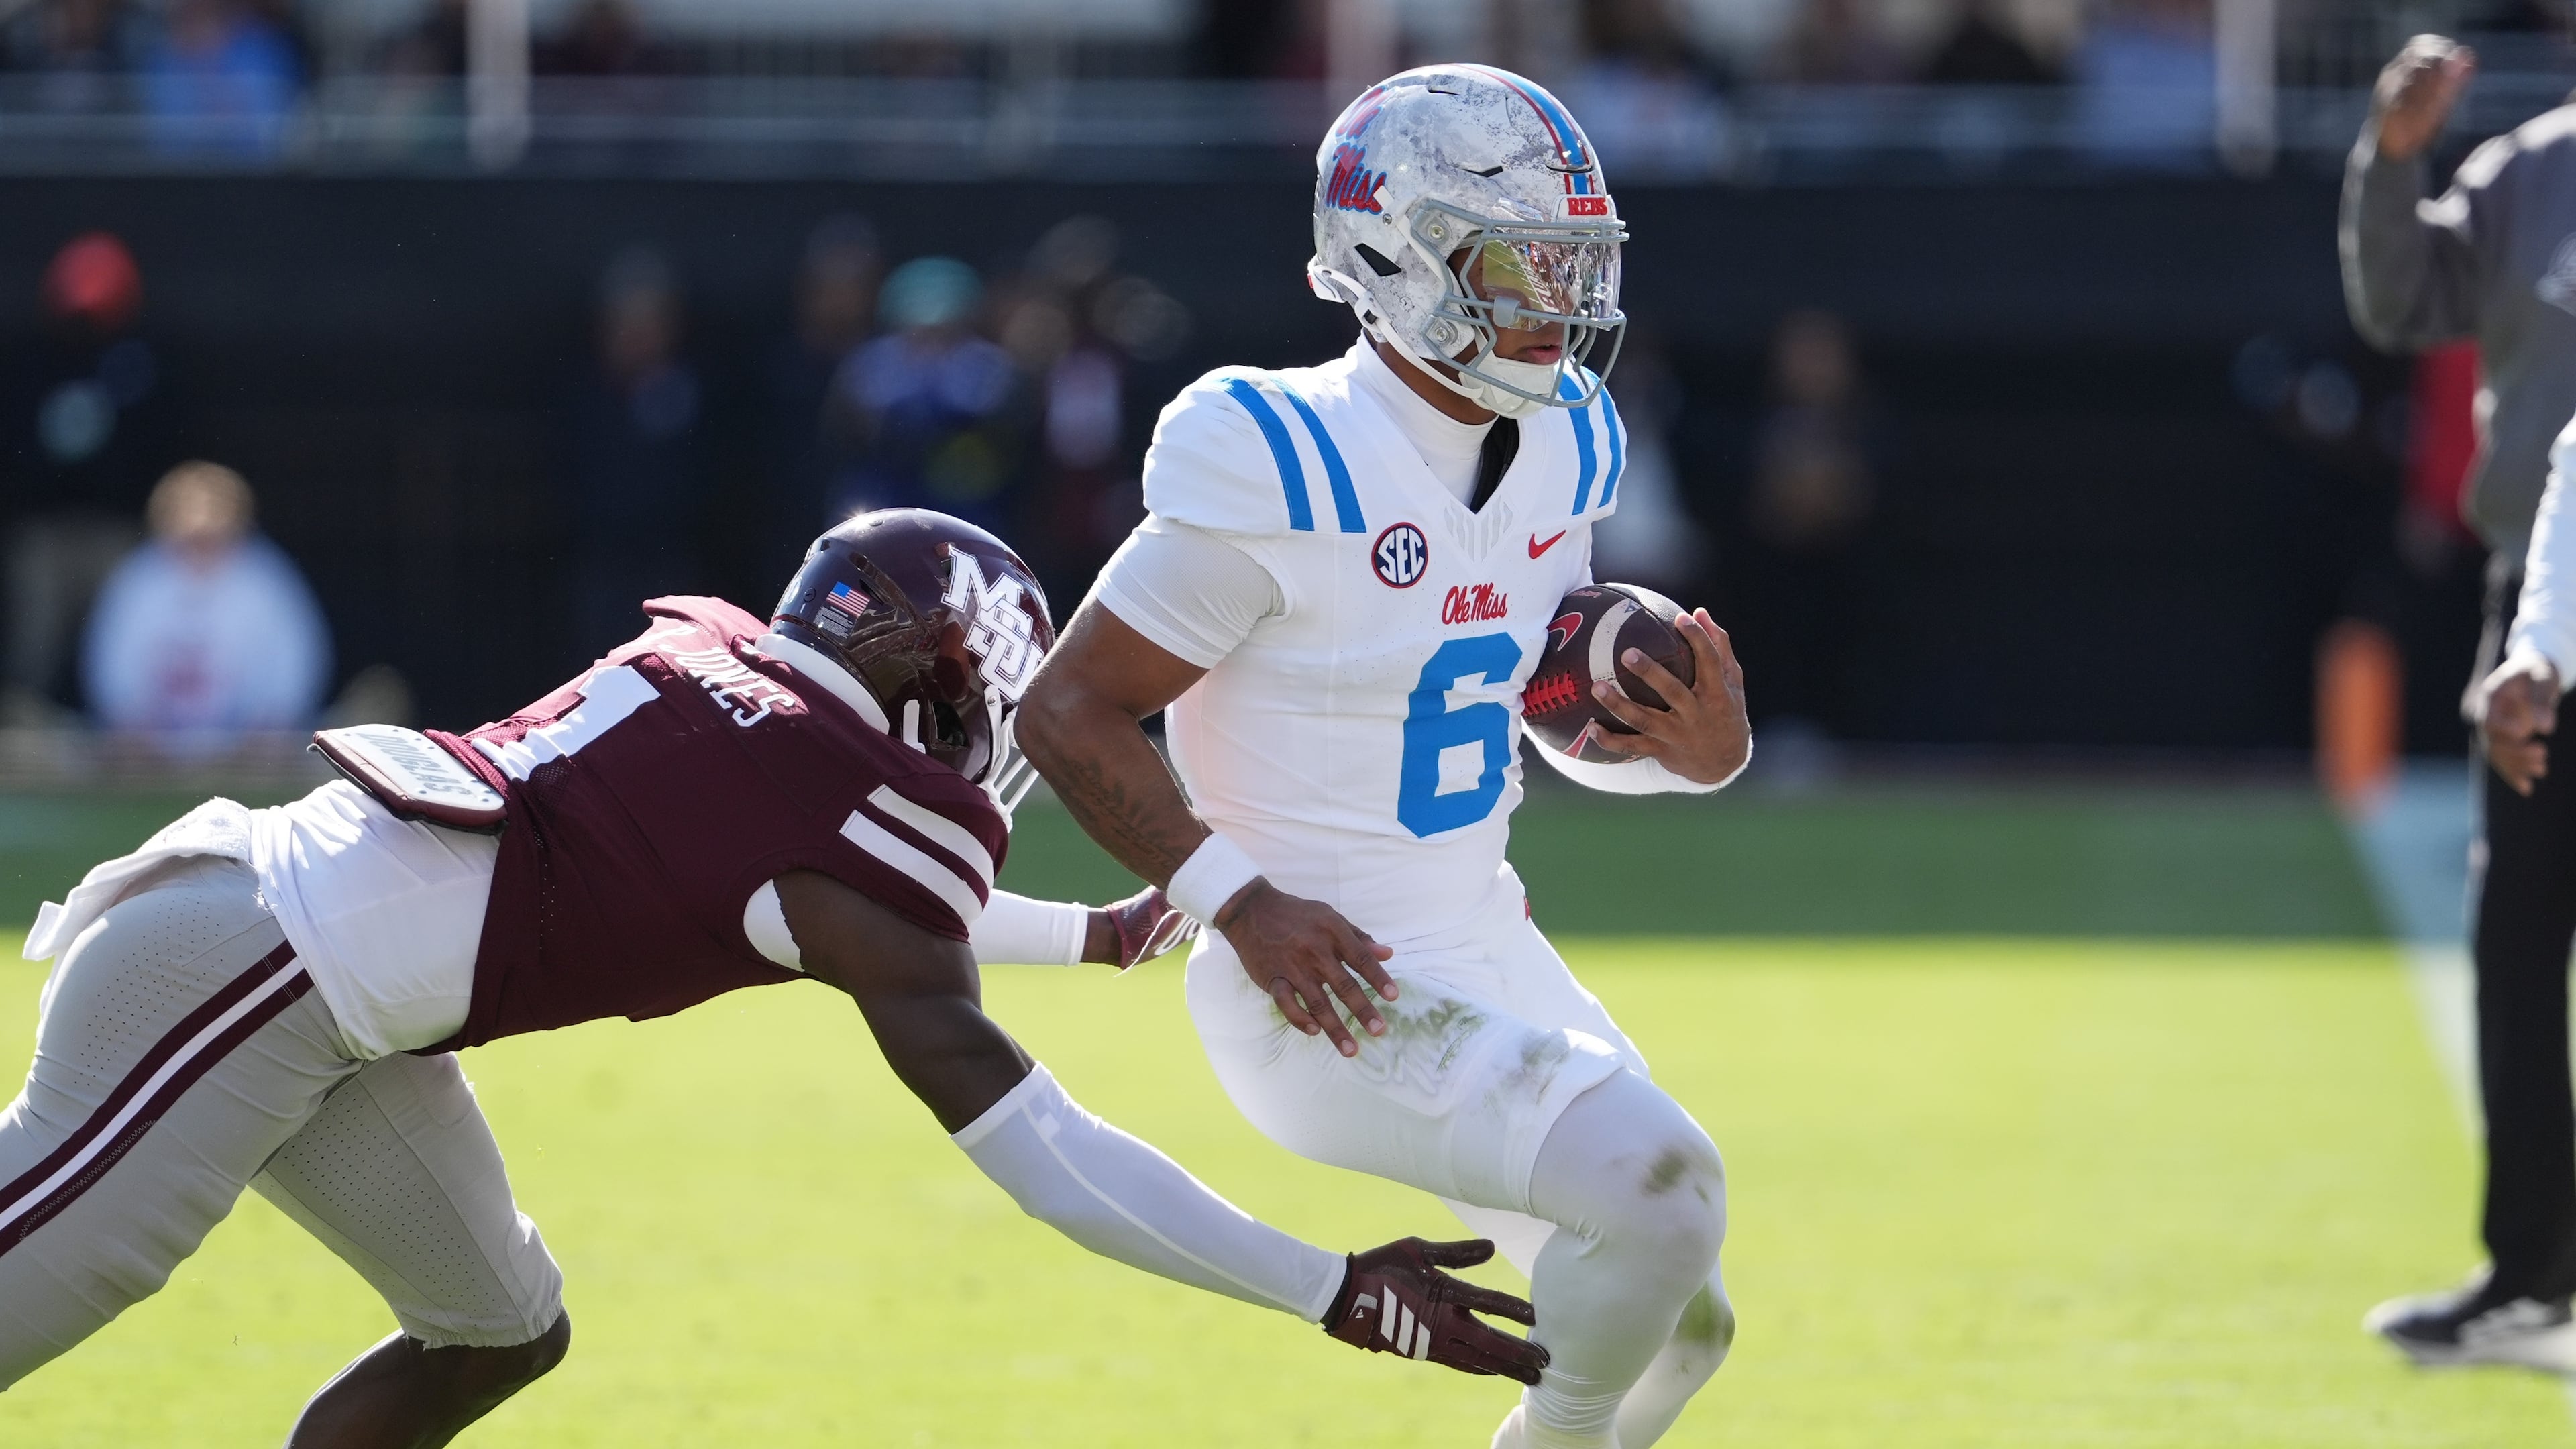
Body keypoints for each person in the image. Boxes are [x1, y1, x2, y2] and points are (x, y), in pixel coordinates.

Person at [0, 508, 1547, 1437]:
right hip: (247, 974)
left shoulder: (721, 684)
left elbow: (788, 899)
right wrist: (1326, 1283)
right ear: (940, 691)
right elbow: (1050, 1156)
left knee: (494, 1323)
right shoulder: (834, 825)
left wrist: (1077, 933)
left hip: (320, 978)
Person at [1016, 67, 1752, 1449]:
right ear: (1396, 258)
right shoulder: (1282, 452)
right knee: (1662, 1188)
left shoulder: (1566, 439)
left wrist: (1689, 755)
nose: (1557, 301)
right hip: (1324, 988)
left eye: (1572, 264)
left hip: (1483, 943)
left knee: (1685, 1321)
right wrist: (1236, 899)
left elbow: (1514, 705)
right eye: (1519, 263)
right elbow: (1067, 711)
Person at [2343, 30, 2576, 1368]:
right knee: (2520, 936)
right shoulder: (2530, 170)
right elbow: (2399, 302)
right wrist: (2393, 156)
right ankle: (2532, 1269)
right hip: (2542, 599)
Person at [82, 459, 329, 753]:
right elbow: (111, 668)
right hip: (151, 753)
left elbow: (294, 667)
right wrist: (128, 721)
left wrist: (273, 724)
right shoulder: (138, 579)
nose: (202, 538)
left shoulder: (267, 579)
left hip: (248, 751)